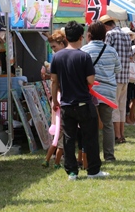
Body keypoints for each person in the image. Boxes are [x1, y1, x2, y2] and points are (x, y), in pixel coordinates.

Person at [50, 21, 108, 180]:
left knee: (68, 139)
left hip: (66, 104)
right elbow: (90, 80)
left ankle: (72, 172)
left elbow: (54, 81)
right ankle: (93, 170)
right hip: (83, 103)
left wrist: (55, 100)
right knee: (90, 137)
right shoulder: (84, 56)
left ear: (66, 37)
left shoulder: (57, 57)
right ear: (81, 37)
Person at [81, 21, 121, 162]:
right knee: (107, 124)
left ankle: (92, 157)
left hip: (90, 92)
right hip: (108, 93)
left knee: (90, 126)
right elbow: (118, 69)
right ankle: (109, 156)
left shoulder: (84, 50)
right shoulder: (111, 51)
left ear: (89, 34)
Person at [100, 15, 132, 144]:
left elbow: (104, 52)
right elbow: (130, 55)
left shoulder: (110, 35)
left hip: (114, 76)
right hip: (125, 76)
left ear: (106, 26)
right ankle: (122, 134)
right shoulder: (126, 34)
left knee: (114, 107)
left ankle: (117, 135)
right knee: (122, 107)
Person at [41, 29, 68, 169]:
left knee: (58, 133)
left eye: (54, 47)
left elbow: (54, 81)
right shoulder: (60, 58)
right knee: (60, 134)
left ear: (62, 43)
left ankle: (50, 159)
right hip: (61, 99)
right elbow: (54, 80)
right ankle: (55, 160)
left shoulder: (60, 58)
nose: (53, 50)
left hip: (60, 99)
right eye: (51, 47)